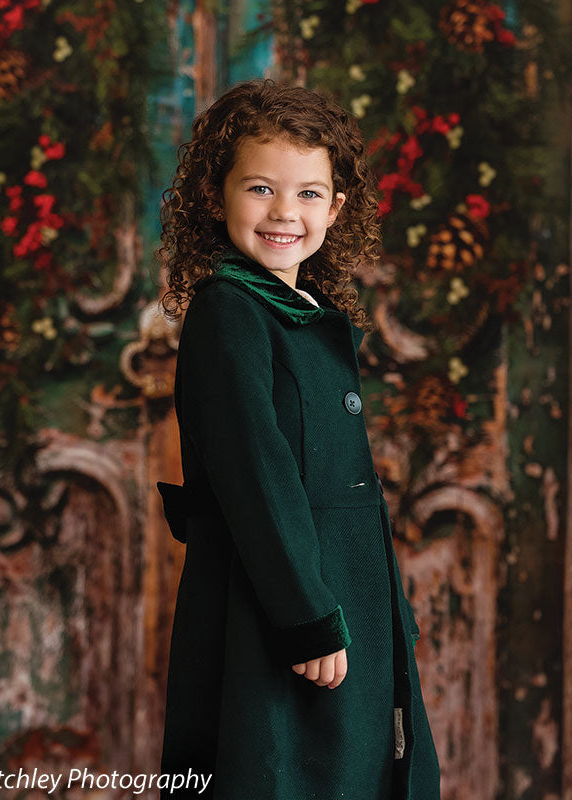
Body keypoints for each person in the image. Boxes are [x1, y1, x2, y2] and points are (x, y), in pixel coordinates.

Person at [156, 77, 440, 800]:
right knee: (276, 773)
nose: (285, 213)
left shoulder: (302, 312)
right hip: (278, 610)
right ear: (214, 196)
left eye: (309, 194)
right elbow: (258, 475)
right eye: (260, 188)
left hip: (342, 604)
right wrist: (306, 616)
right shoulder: (229, 312)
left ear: (337, 208)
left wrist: (387, 618)